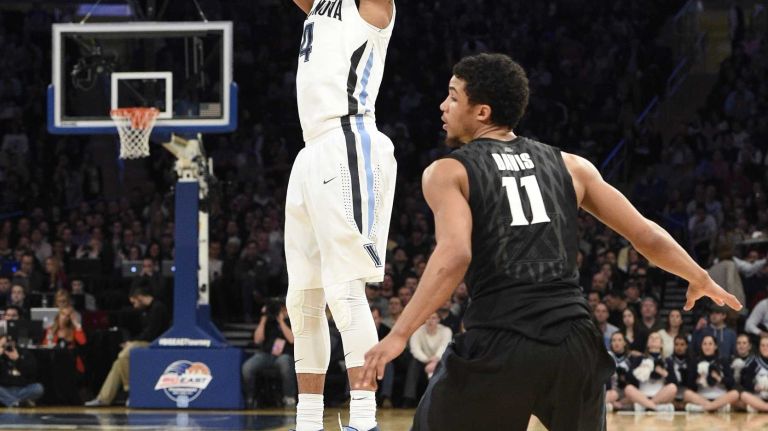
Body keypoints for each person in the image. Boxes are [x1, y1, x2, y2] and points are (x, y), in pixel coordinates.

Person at [359, 53, 741, 430]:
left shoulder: (448, 171)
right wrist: (698, 275)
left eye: (454, 96)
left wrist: (399, 334)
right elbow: (644, 233)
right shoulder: (572, 166)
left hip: (501, 339)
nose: (443, 105)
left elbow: (455, 253)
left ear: (482, 112)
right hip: (575, 342)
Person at [286, 0, 397, 429]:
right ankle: (309, 421)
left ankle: (364, 421)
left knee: (344, 292)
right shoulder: (321, 4)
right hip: (311, 149)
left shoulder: (370, 7)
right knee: (302, 298)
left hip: (348, 137)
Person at [84, 284, 169, 406]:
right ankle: (104, 398)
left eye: (134, 302)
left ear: (139, 297)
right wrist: (132, 342)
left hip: (157, 344)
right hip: (147, 342)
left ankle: (131, 390)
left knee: (124, 354)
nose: (134, 306)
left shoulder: (158, 308)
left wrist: (132, 343)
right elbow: (144, 333)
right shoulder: (145, 310)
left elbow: (151, 333)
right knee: (118, 364)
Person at [241, 301, 297, 409]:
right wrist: (263, 319)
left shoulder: (292, 321)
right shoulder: (267, 322)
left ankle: (289, 397)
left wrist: (281, 321)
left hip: (284, 355)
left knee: (285, 363)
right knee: (247, 367)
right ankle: (250, 397)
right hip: (266, 355)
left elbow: (292, 339)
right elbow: (257, 340)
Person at [622, 332, 677, 412]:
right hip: (642, 395)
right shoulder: (639, 359)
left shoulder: (667, 360)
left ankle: (645, 406)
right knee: (628, 389)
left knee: (673, 388)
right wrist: (639, 371)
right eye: (651, 338)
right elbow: (629, 378)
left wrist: (664, 373)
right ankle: (656, 407)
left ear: (661, 344)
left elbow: (674, 381)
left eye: (657, 338)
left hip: (661, 395)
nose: (653, 339)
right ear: (647, 344)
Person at [683, 335, 739, 412]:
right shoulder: (695, 361)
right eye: (704, 344)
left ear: (715, 346)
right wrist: (697, 379)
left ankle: (704, 408)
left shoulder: (723, 361)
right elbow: (690, 385)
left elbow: (731, 383)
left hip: (720, 397)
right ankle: (716, 408)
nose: (707, 346)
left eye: (710, 344)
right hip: (702, 397)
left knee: (735, 393)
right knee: (687, 393)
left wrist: (719, 378)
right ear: (701, 346)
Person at [0, 334, 43, 407]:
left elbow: (31, 372)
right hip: (5, 389)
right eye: (2, 346)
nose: (6, 347)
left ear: (13, 343)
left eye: (6, 344)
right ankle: (17, 402)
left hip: (22, 389)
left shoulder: (24, 353)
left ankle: (11, 401)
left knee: (38, 388)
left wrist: (18, 359)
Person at [739, 335, 768, 412]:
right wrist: (756, 387)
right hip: (758, 398)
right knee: (743, 395)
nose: (765, 348)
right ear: (759, 347)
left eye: (767, 345)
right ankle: (763, 407)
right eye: (762, 345)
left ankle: (759, 408)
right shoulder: (754, 363)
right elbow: (746, 384)